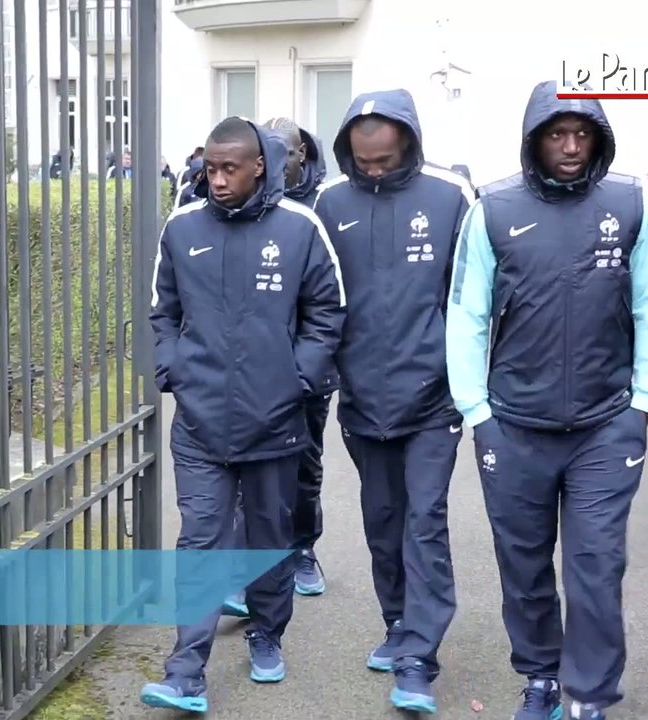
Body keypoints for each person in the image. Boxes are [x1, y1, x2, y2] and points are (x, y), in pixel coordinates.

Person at [445, 81, 648, 720]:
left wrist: (644, 400)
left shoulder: (629, 203)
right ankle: (541, 676)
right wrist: (477, 412)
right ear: (534, 139)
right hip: (513, 425)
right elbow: (467, 312)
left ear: (598, 137)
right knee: (523, 564)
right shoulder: (492, 208)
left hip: (607, 424)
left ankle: (589, 693)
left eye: (581, 133)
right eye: (556, 133)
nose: (570, 146)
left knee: (596, 565)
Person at [139, 116, 346, 713]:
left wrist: (297, 380)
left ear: (263, 166)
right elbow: (162, 311)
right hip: (200, 424)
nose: (219, 180)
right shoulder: (182, 228)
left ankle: (266, 632)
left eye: (231, 169)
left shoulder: (300, 228)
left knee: (269, 539)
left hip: (276, 423)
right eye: (211, 169)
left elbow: (327, 313)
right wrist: (172, 370)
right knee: (200, 542)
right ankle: (185, 670)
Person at [310, 88, 474, 713]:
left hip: (434, 397)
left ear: (407, 140)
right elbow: (315, 297)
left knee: (424, 518)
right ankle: (396, 622)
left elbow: (473, 292)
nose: (373, 169)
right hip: (362, 399)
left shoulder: (450, 196)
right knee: (383, 519)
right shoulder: (330, 202)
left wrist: (466, 377)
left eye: (383, 158)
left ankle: (418, 659)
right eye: (362, 159)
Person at [217, 115, 334, 620]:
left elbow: (331, 299)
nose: (279, 160)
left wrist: (304, 370)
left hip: (304, 370)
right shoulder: (240, 205)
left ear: (301, 154)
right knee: (248, 474)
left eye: (286, 151)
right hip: (246, 372)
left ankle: (303, 548)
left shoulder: (321, 207)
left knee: (302, 471)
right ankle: (248, 571)